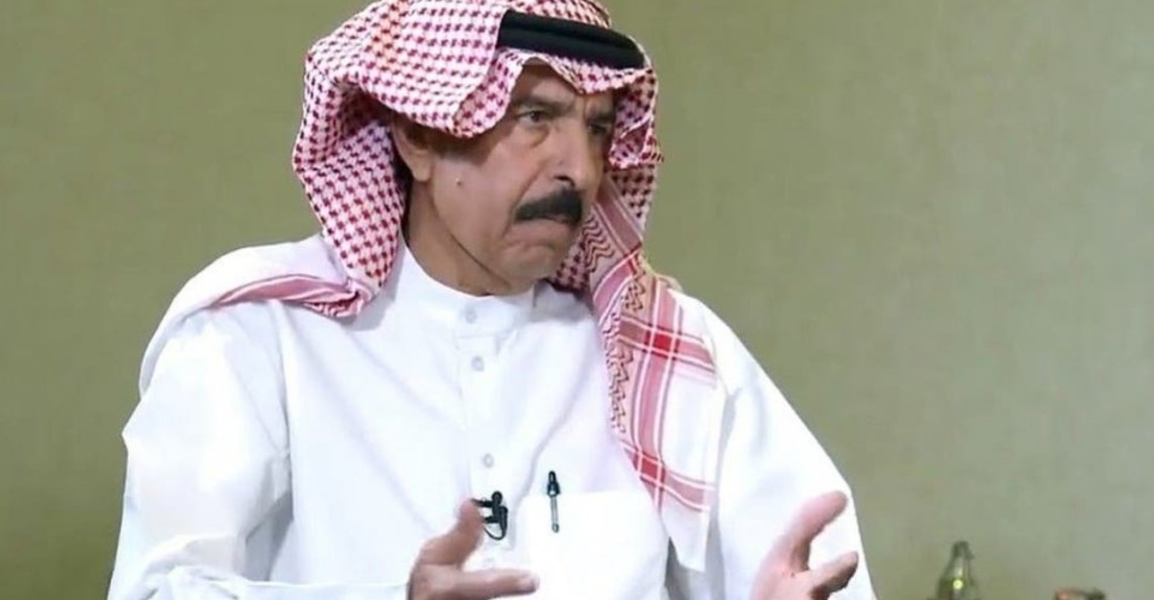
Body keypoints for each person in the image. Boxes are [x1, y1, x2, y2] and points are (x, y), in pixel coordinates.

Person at [105, 1, 880, 599]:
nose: (580, 169)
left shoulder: (667, 349)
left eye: (597, 128)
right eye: (534, 118)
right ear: (419, 136)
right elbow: (159, 589)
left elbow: (803, 570)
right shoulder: (261, 335)